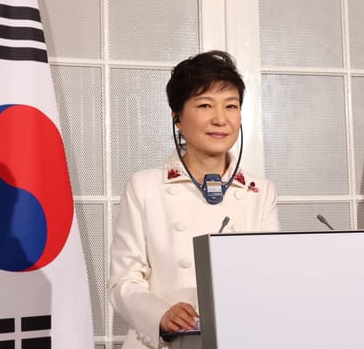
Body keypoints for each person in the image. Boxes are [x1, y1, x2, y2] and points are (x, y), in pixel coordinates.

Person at [108, 50, 280, 349]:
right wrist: (161, 314)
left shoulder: (259, 191)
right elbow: (123, 282)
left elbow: (270, 276)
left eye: (231, 106)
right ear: (177, 117)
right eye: (204, 105)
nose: (220, 119)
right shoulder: (146, 186)